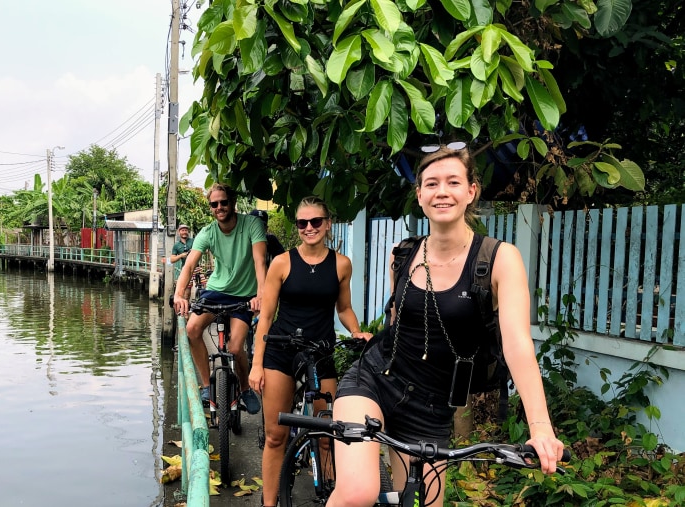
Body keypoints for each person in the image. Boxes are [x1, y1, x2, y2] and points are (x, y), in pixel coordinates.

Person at [327, 144, 565, 507]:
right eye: (432, 183)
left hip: (432, 405)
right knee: (357, 492)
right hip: (375, 380)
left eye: (453, 182)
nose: (442, 191)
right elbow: (397, 327)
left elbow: (518, 345)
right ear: (419, 194)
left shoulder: (500, 259)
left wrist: (541, 428)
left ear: (471, 191)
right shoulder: (403, 254)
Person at [249, 196, 371, 507]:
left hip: (321, 352)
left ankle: (330, 496)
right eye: (302, 223)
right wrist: (256, 364)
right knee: (276, 436)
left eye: (315, 221)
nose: (308, 228)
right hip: (280, 351)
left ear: (327, 224)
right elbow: (266, 316)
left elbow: (343, 308)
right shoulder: (282, 263)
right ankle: (269, 503)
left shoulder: (341, 264)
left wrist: (356, 331)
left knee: (328, 434)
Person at [172, 183, 267, 415]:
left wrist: (261, 296)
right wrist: (178, 294)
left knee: (235, 347)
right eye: (214, 204)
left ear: (232, 203)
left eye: (223, 202)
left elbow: (259, 261)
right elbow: (190, 264)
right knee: (192, 329)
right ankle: (206, 386)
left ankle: (244, 389)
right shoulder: (207, 232)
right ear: (211, 207)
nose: (219, 207)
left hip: (244, 294)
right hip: (216, 291)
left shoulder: (251, 225)